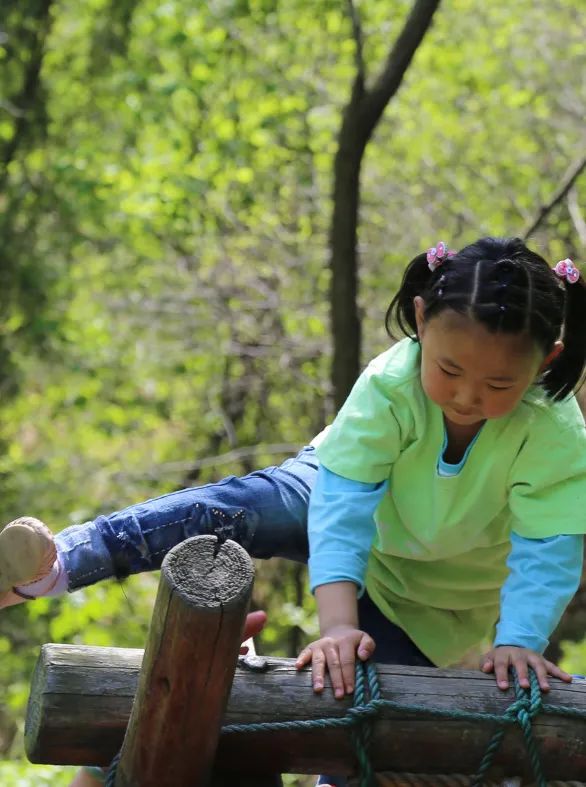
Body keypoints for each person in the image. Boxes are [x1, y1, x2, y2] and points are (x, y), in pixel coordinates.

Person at [2, 237, 586, 787]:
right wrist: (335, 624)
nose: (466, 397)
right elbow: (343, 503)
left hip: (428, 596)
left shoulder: (554, 429)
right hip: (334, 494)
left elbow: (548, 548)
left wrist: (518, 641)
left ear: (545, 363)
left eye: (498, 384)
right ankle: (60, 564)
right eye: (450, 371)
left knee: (362, 721)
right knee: (234, 510)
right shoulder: (392, 382)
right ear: (421, 322)